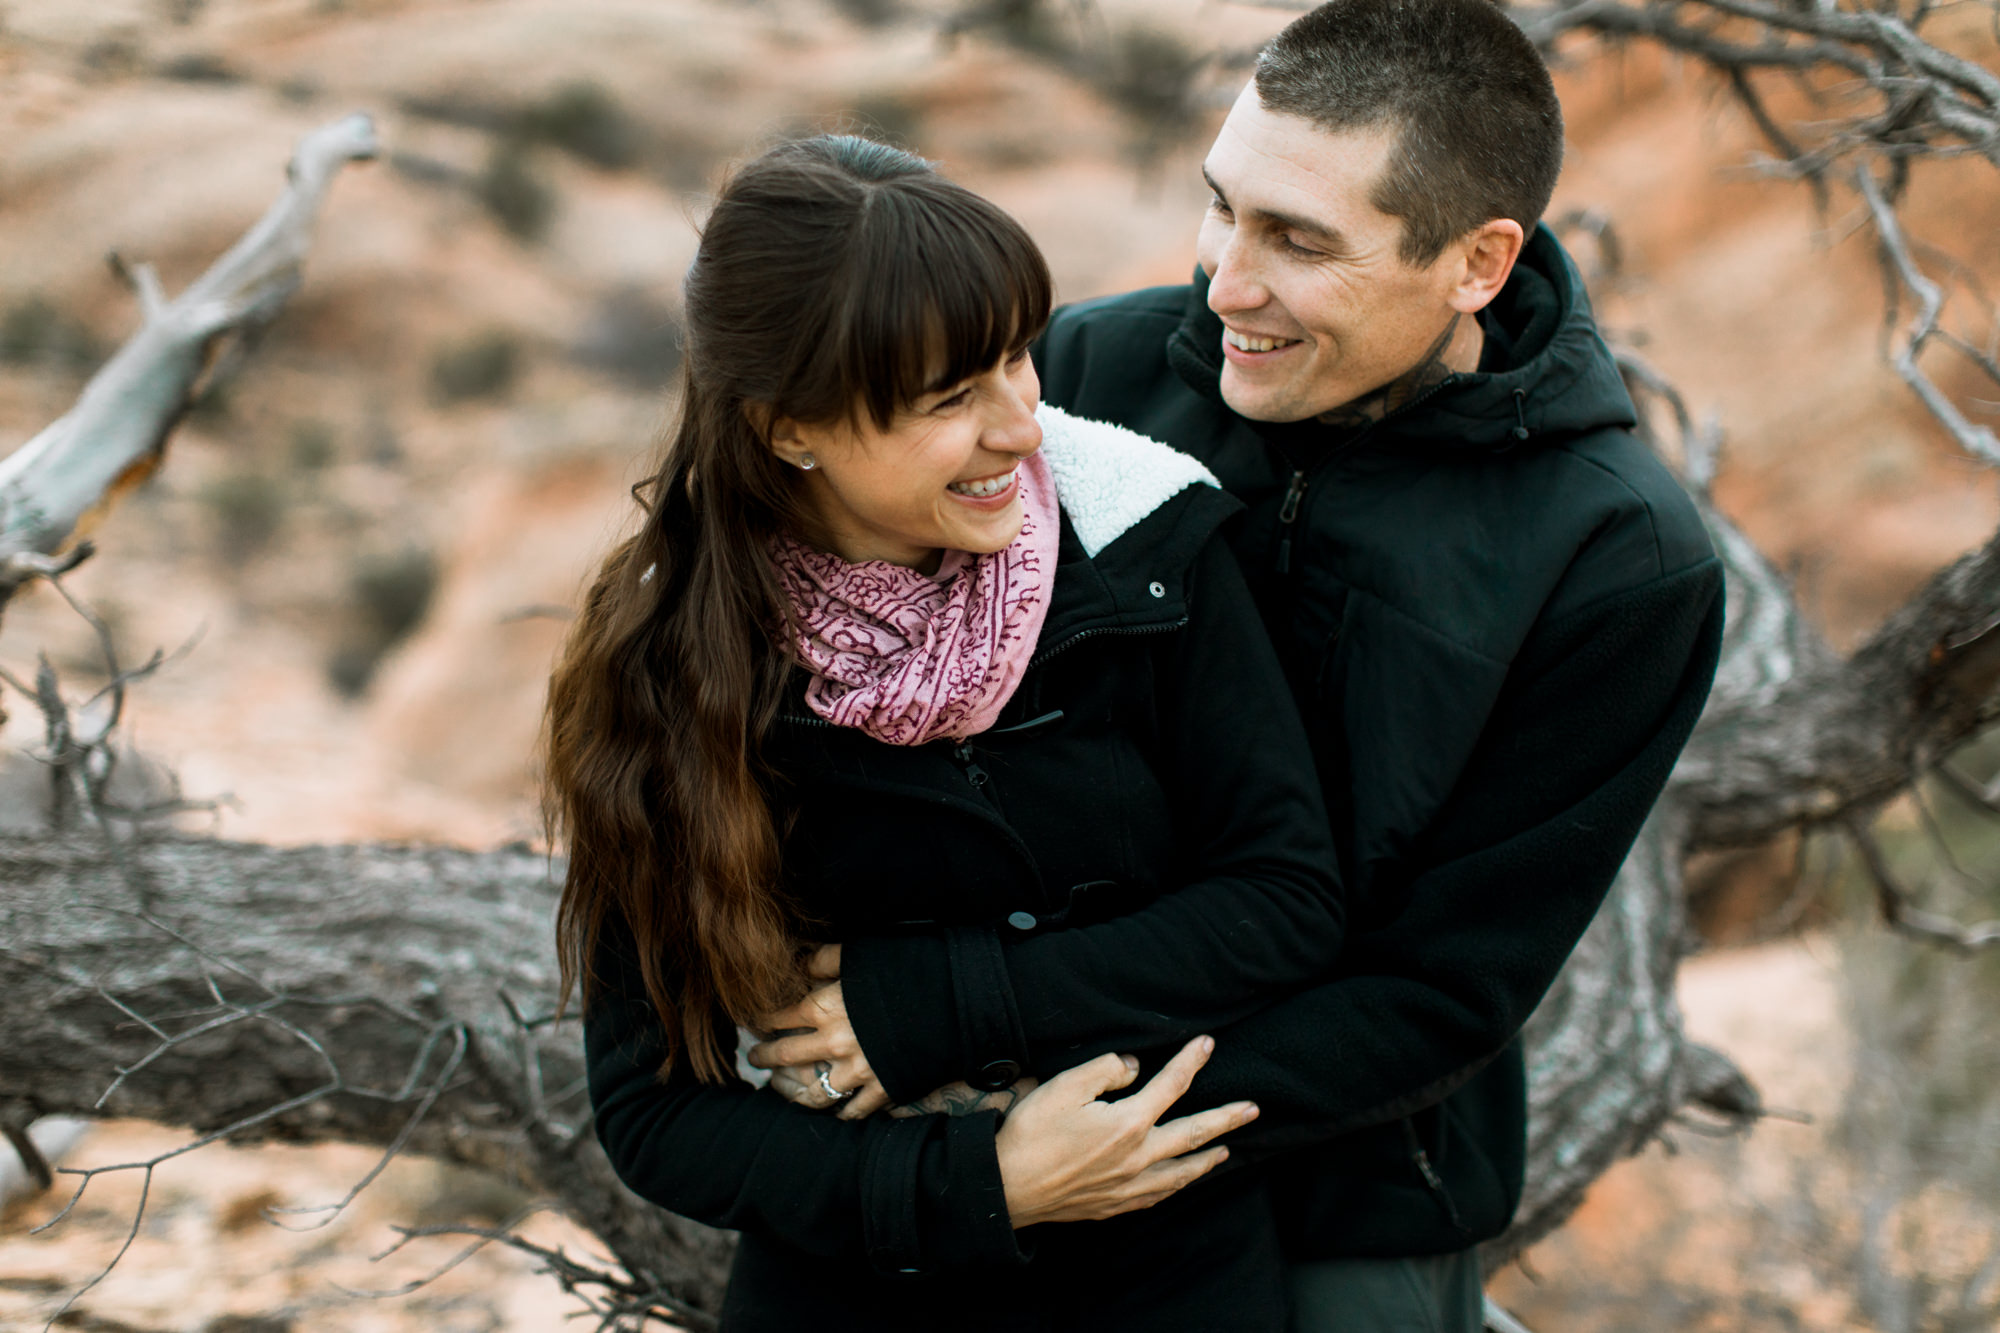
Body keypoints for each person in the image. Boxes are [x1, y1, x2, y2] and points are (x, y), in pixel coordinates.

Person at [784, 2, 1728, 1329]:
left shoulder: (1616, 554)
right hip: (976, 1119)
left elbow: (1439, 988)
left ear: (1478, 263)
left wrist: (1040, 1078)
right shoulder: (1086, 379)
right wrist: (969, 1111)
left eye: (1298, 242)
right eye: (1222, 207)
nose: (1225, 281)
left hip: (1335, 1187)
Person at [548, 134, 1354, 1330]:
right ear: (785, 427)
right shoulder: (668, 655)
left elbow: (1286, 899)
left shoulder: (1148, 541)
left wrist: (943, 1001)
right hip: (855, 1296)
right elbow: (657, 1112)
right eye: (948, 400)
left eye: (1017, 359)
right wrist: (978, 1185)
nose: (1020, 426)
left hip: (1173, 1281)